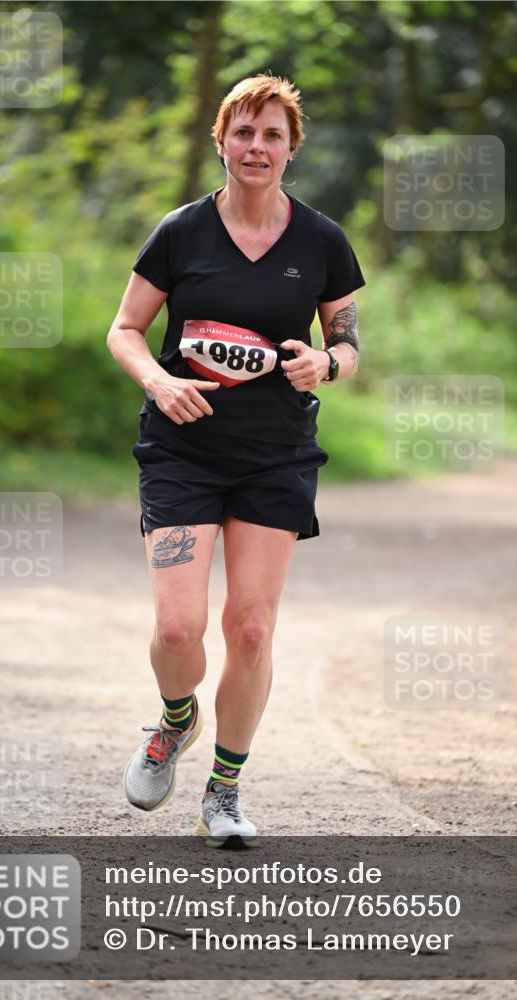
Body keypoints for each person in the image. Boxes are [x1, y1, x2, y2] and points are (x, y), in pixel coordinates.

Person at [107, 73, 365, 848]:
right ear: (220, 142)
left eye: (272, 135)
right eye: (243, 132)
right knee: (177, 628)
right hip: (181, 451)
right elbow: (124, 329)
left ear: (291, 149)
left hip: (274, 455)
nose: (257, 147)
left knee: (251, 629)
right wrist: (158, 381)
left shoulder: (321, 242)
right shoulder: (180, 232)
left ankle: (223, 790)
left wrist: (325, 364)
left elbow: (348, 343)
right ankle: (174, 720)